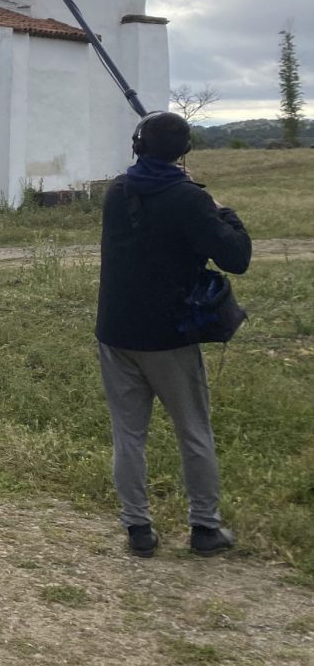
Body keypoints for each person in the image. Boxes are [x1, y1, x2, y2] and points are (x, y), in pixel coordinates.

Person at [95, 111, 251, 558]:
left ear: (137, 146)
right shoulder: (189, 198)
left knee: (128, 434)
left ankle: (138, 529)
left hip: (116, 331)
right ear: (183, 151)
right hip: (170, 335)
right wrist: (222, 211)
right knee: (193, 431)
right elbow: (237, 257)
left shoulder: (118, 191)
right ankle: (204, 527)